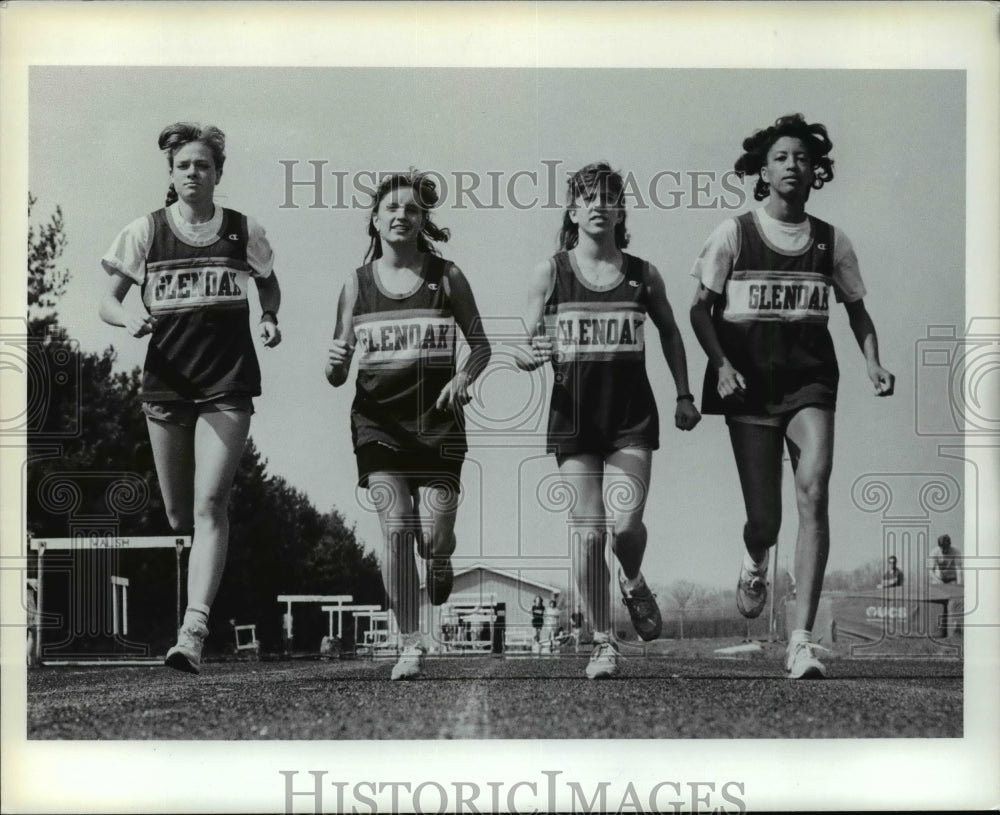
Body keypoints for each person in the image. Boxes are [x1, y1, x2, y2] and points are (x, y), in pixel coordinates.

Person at [689, 114, 895, 680]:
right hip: (749, 388)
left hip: (810, 384)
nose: (792, 166)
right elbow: (697, 310)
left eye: (802, 158)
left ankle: (800, 640)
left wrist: (873, 362)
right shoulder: (733, 233)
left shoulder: (832, 240)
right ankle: (757, 560)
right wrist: (721, 364)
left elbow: (856, 310)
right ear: (763, 167)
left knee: (814, 489)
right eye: (781, 157)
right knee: (767, 521)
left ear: (816, 171)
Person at [99, 123, 282, 675]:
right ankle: (196, 607)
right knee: (181, 514)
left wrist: (270, 316)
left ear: (218, 174)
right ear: (171, 175)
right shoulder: (145, 232)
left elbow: (269, 282)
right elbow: (106, 301)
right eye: (184, 166)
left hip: (227, 383)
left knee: (210, 504)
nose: (194, 174)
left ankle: (193, 629)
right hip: (167, 385)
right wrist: (127, 316)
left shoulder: (243, 230)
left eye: (203, 165)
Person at [519, 161, 701, 679]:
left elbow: (669, 332)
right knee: (588, 534)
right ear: (573, 210)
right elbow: (526, 334)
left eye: (609, 197)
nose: (599, 205)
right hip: (574, 417)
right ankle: (603, 640)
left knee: (625, 526)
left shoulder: (644, 273)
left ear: (621, 210)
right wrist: (530, 351)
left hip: (629, 417)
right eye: (588, 197)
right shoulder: (551, 271)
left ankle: (634, 577)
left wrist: (685, 393)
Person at [326, 171, 491, 681]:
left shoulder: (448, 277)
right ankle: (411, 642)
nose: (401, 215)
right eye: (392, 208)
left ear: (423, 221)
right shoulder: (355, 284)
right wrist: (334, 359)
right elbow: (336, 373)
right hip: (378, 425)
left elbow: (482, 346)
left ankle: (440, 559)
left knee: (435, 535)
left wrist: (464, 376)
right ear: (374, 219)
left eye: (412, 210)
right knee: (396, 531)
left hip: (438, 426)